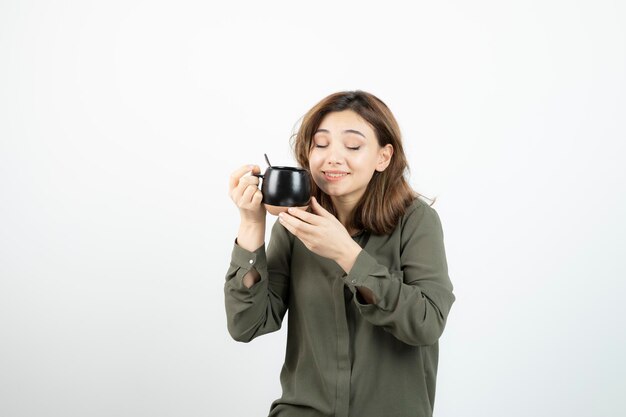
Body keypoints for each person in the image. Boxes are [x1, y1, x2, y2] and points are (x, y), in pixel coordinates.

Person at [225, 90, 455, 417]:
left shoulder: (416, 222)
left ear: (383, 157)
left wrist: (347, 254)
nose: (332, 158)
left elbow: (426, 323)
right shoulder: (294, 227)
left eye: (353, 146)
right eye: (320, 144)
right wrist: (251, 224)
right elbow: (247, 324)